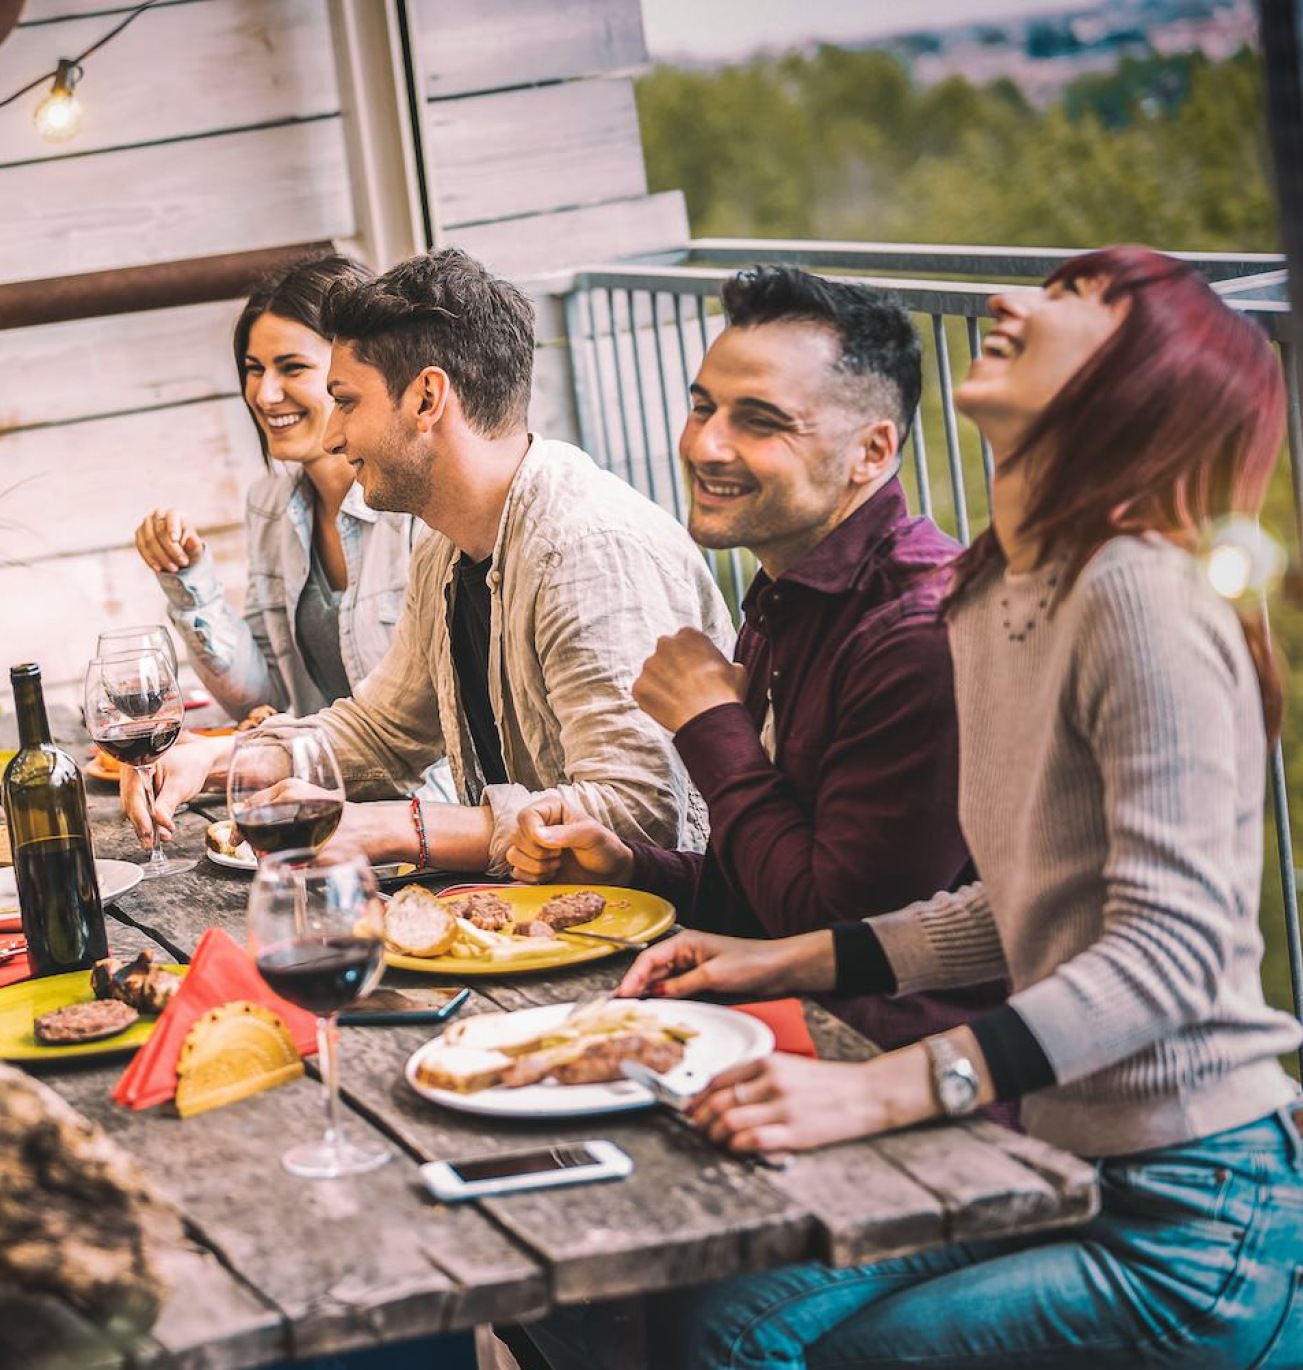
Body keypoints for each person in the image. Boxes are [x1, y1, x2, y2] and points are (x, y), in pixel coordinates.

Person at [536, 247, 1303, 1369]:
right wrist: (786, 960)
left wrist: (884, 1091)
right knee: (698, 1310)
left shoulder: (1139, 587)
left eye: (1074, 298)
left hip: (1186, 1208)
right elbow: (1018, 905)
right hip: (1063, 1150)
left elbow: (1171, 950)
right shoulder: (998, 588)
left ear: (1143, 383)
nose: (1005, 300)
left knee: (748, 1342)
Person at [505, 266, 1002, 1053]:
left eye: (760, 421)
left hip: (907, 1070)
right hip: (799, 1028)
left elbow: (827, 931)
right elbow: (770, 890)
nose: (704, 444)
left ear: (871, 451)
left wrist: (711, 726)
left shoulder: (916, 635)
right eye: (702, 405)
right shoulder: (790, 591)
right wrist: (632, 871)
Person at [121, 247, 733, 874]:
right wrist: (218, 760)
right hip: (540, 911)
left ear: (425, 399)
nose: (333, 436)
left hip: (670, 935)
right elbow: (382, 731)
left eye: (348, 402)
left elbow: (638, 814)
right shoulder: (445, 546)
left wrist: (392, 829)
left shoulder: (588, 549)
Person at [133, 254, 417, 722]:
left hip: (421, 794)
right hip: (317, 782)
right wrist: (189, 579)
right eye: (254, 368)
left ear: (354, 371)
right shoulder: (268, 505)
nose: (264, 394)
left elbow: (435, 727)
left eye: (292, 367)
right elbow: (262, 698)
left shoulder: (416, 510)